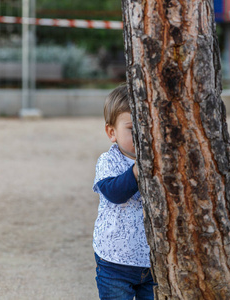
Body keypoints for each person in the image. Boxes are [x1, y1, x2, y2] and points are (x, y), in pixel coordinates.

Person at [92, 84, 155, 300]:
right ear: (112, 132)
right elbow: (114, 193)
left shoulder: (160, 160)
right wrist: (138, 171)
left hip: (153, 261)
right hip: (114, 263)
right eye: (132, 129)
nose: (142, 135)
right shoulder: (108, 161)